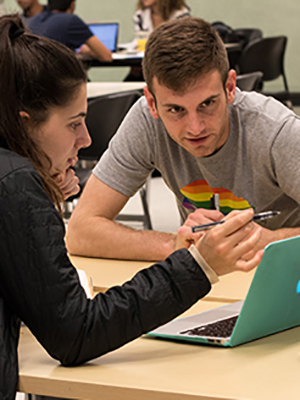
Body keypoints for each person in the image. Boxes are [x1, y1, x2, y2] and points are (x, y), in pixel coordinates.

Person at [0, 14, 264, 399]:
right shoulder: (14, 184)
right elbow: (75, 334)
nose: (87, 139)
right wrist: (198, 266)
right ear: (25, 125)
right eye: (74, 123)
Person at [67, 16, 300, 262]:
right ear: (151, 103)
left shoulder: (275, 131)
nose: (195, 128)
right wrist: (179, 244)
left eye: (207, 104)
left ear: (230, 87)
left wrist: (266, 241)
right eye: (176, 110)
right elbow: (80, 232)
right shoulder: (146, 122)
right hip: (207, 280)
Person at [124, 0, 190, 81]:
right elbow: (138, 40)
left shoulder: (180, 15)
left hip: (171, 65)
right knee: (134, 73)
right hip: (147, 63)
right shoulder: (140, 15)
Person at [28, 0, 112, 62]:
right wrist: (90, 52)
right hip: (55, 80)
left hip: (32, 79)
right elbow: (106, 56)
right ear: (72, 4)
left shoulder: (35, 19)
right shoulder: (71, 20)